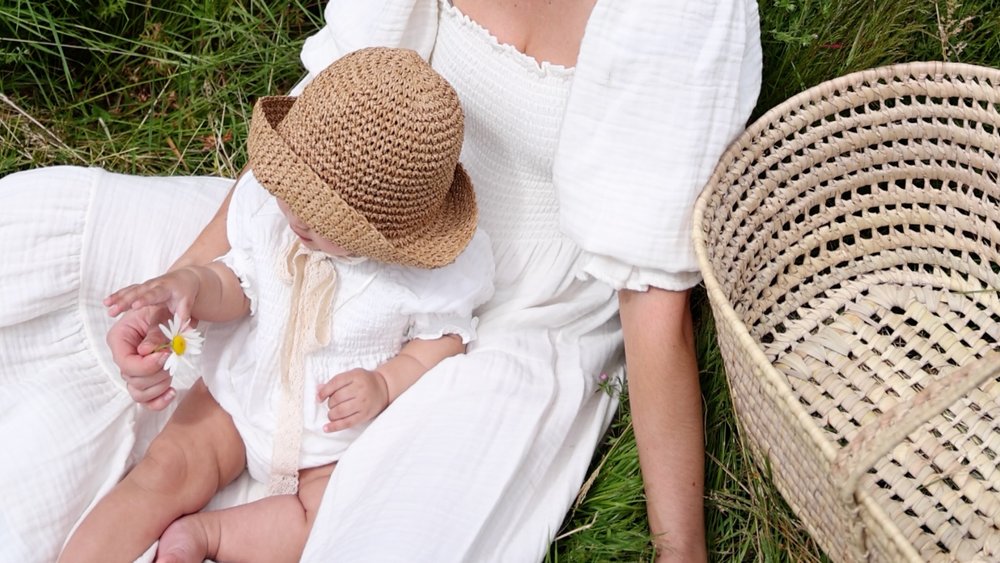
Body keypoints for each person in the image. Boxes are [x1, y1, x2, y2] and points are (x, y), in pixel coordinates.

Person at [0, 1, 762, 561]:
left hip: (510, 304)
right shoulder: (289, 222)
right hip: (342, 222)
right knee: (47, 243)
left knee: (373, 528)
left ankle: (228, 532)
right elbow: (307, 155)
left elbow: (653, 306)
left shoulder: (673, 16)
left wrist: (680, 548)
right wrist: (179, 286)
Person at [58, 47, 494, 562]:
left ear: (385, 234)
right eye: (292, 195)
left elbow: (438, 341)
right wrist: (192, 285)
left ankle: (206, 537)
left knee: (322, 522)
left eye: (324, 220)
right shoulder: (272, 219)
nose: (296, 219)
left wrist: (386, 382)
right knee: (164, 468)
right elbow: (237, 284)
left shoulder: (417, 278)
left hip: (331, 440)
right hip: (242, 393)